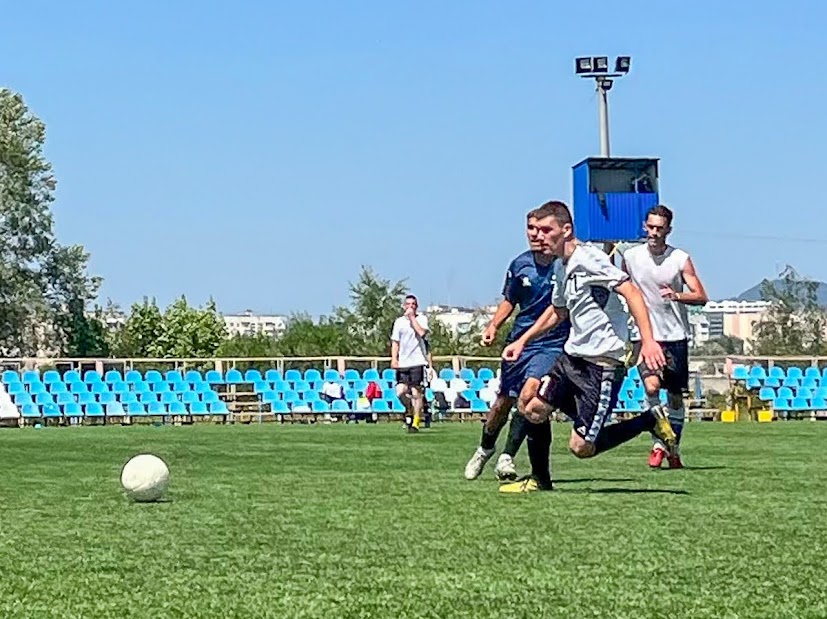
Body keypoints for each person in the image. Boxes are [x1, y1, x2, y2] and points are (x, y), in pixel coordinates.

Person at [498, 200, 676, 494]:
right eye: (536, 230)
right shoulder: (560, 266)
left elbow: (630, 291)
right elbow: (558, 311)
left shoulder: (589, 258)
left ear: (566, 230)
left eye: (547, 229)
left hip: (602, 365)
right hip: (571, 358)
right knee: (532, 407)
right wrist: (522, 340)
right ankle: (540, 481)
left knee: (581, 448)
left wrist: (647, 341)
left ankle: (647, 421)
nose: (539, 235)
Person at [464, 203, 571, 481]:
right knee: (503, 402)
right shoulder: (520, 264)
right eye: (530, 229)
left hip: (553, 343)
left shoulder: (567, 264)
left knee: (530, 392)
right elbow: (510, 301)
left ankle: (507, 457)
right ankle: (486, 448)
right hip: (519, 342)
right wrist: (493, 325)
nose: (535, 234)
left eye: (542, 229)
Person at [622, 205, 708, 469]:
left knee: (674, 396)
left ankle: (669, 447)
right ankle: (661, 438)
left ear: (668, 230)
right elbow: (623, 287)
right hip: (644, 335)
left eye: (660, 228)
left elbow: (701, 296)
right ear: (644, 227)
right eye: (651, 227)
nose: (654, 233)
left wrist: (677, 295)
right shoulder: (631, 256)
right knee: (651, 388)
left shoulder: (680, 258)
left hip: (675, 335)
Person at [390, 294, 429, 433]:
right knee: (400, 391)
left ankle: (416, 421)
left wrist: (412, 318)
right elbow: (395, 341)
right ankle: (410, 410)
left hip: (417, 360)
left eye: (413, 304)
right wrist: (394, 358)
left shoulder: (422, 319)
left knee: (416, 391)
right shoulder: (399, 322)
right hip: (403, 362)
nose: (411, 306)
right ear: (403, 306)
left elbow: (422, 333)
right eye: (408, 304)